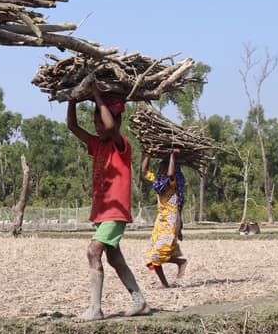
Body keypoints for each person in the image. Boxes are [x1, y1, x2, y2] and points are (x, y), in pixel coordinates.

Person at [67, 87, 150, 321]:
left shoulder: (120, 145)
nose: (97, 126)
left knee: (93, 251)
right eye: (94, 121)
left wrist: (96, 96)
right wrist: (72, 100)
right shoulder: (97, 145)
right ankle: (140, 302)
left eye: (100, 121)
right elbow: (72, 127)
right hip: (102, 213)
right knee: (115, 259)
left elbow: (112, 129)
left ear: (115, 121)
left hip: (116, 212)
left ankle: (95, 309)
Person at [141, 148, 189, 288]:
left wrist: (172, 155)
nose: (161, 168)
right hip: (161, 221)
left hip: (172, 221)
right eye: (161, 166)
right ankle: (178, 265)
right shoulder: (158, 182)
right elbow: (144, 171)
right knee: (151, 255)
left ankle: (168, 279)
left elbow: (170, 173)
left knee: (157, 254)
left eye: (164, 165)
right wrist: (148, 154)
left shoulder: (172, 183)